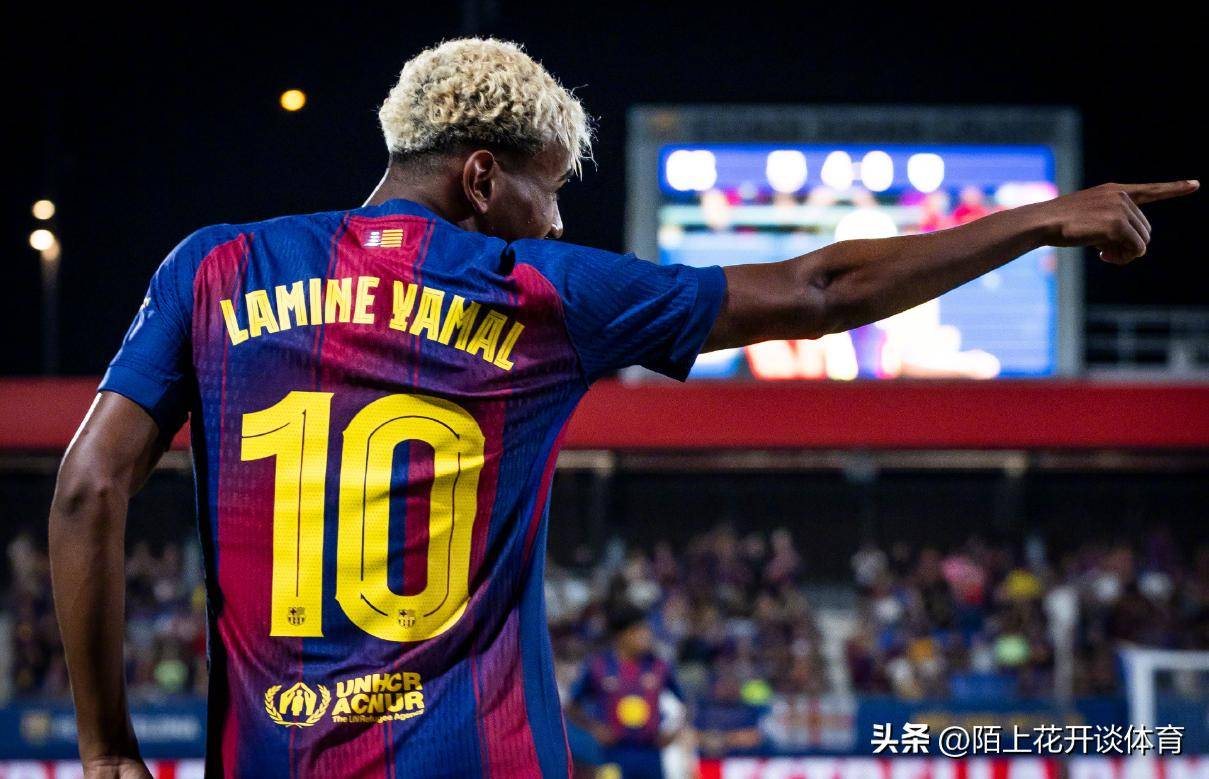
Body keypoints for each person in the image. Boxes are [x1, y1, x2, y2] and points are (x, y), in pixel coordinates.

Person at [45, 36, 1195, 779]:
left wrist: (104, 747)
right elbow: (819, 289)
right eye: (549, 188)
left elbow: (90, 487)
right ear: (482, 176)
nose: (558, 220)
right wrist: (1041, 219)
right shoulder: (539, 290)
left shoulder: (213, 268)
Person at [566, 605, 685, 778]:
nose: (647, 636)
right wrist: (594, 728)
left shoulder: (659, 666)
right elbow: (571, 706)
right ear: (622, 635)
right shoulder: (598, 666)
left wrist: (674, 732)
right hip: (612, 754)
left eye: (647, 630)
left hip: (650, 754)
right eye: (639, 631)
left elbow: (686, 702)